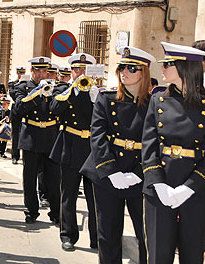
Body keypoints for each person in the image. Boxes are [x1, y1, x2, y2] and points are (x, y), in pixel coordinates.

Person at [142, 42, 205, 264]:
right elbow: (149, 145)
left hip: (197, 189)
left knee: (192, 255)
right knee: (159, 255)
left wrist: (188, 189)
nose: (162, 68)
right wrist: (158, 184)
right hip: (161, 185)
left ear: (184, 67)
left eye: (167, 64)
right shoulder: (157, 100)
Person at [81, 46, 154, 264]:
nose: (125, 72)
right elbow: (98, 137)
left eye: (132, 68)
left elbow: (156, 144)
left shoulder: (155, 104)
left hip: (139, 175)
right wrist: (111, 172)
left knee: (146, 235)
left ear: (144, 73)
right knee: (108, 234)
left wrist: (139, 173)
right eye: (122, 67)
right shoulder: (106, 98)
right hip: (107, 175)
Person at [49, 53, 98, 252]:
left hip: (92, 148)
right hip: (70, 146)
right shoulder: (64, 90)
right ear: (71, 71)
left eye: (84, 69)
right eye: (77, 69)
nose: (81, 73)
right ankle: (68, 235)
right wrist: (72, 90)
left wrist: (96, 95)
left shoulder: (97, 92)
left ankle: (97, 237)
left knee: (94, 197)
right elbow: (54, 108)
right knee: (68, 194)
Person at [13, 57, 60, 224]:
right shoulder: (23, 88)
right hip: (31, 137)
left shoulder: (55, 88)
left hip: (50, 137)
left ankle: (56, 212)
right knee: (30, 177)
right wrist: (35, 94)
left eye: (44, 71)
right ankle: (31, 210)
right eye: (38, 71)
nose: (41, 74)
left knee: (54, 178)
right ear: (31, 71)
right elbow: (19, 109)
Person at [8, 66, 27, 165]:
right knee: (15, 134)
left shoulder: (27, 84)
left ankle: (25, 156)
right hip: (15, 111)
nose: (21, 75)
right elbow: (13, 94)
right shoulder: (12, 84)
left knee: (25, 134)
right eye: (20, 73)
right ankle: (15, 155)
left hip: (24, 111)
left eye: (23, 73)